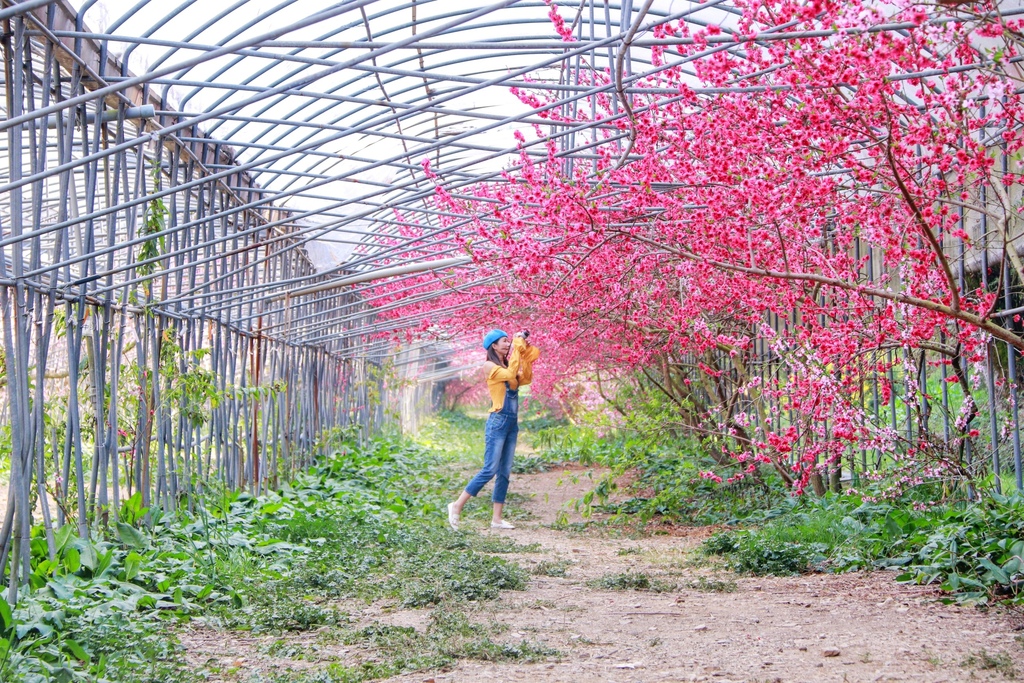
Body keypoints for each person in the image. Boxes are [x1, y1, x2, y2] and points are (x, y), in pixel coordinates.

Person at [447, 328, 540, 530]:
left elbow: (525, 379)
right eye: (504, 341)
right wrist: (517, 349)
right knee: (490, 469)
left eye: (509, 341)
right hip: (497, 421)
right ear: (494, 346)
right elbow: (509, 374)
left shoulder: (508, 364)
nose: (508, 344)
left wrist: (522, 352)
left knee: (505, 471)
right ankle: (456, 505)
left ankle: (496, 519)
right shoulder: (490, 366)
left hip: (511, 424)